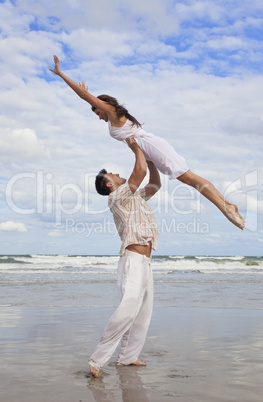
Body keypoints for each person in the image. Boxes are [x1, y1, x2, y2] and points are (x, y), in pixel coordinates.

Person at [49, 55, 245, 230]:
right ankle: (226, 206)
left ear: (105, 106)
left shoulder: (113, 113)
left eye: (98, 111)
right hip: (147, 150)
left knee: (189, 178)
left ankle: (226, 207)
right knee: (188, 179)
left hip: (152, 145)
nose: (99, 116)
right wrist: (145, 157)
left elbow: (84, 96)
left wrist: (62, 74)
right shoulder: (113, 120)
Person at [88, 135, 161, 377]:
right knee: (129, 307)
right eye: (112, 175)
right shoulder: (116, 197)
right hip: (132, 260)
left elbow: (155, 184)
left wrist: (150, 159)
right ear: (109, 185)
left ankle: (128, 357)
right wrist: (136, 147)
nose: (117, 174)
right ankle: (97, 359)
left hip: (146, 262)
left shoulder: (133, 197)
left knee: (143, 311)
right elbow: (138, 172)